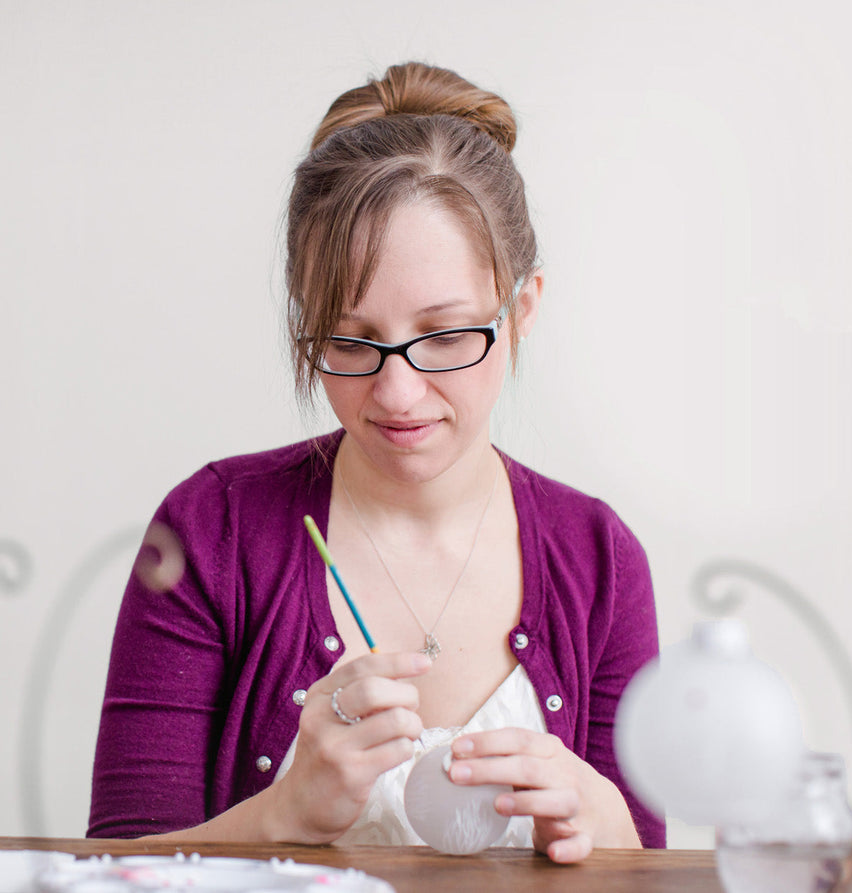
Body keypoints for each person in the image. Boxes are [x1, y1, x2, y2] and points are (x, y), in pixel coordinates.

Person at [87, 61, 665, 862]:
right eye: (350, 339)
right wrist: (279, 813)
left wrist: (610, 828)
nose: (396, 392)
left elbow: (644, 869)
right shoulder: (209, 531)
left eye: (445, 335)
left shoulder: (600, 561)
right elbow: (113, 870)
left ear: (523, 308)